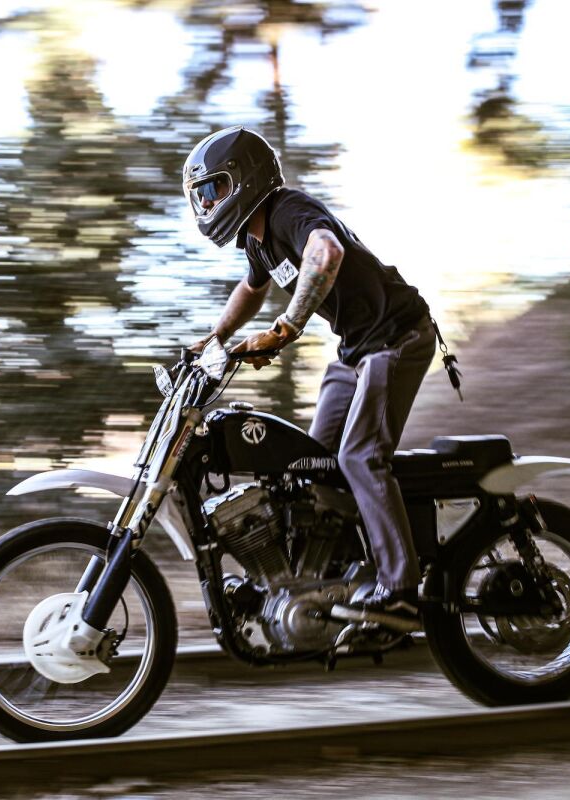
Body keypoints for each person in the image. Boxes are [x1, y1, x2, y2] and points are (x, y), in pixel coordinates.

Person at [184, 126, 436, 623]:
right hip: (356, 349)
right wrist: (215, 338)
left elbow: (327, 251)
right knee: (311, 464)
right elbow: (252, 290)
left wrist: (285, 328)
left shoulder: (288, 211)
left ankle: (401, 588)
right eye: (201, 195)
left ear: (244, 177)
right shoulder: (258, 241)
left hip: (396, 336)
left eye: (214, 189)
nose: (207, 203)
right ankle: (335, 576)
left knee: (361, 455)